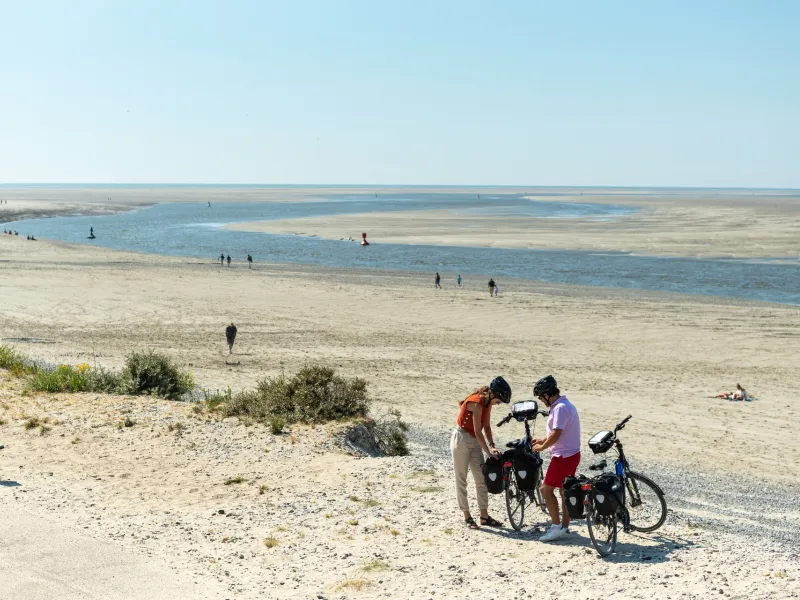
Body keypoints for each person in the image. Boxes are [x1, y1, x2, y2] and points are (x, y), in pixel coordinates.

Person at [451, 376, 512, 529]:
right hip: (462, 439)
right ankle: (467, 516)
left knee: (481, 478)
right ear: (493, 394)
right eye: (498, 400)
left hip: (473, 440)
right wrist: (488, 453)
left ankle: (484, 516)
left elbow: (487, 427)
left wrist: (492, 445)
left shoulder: (487, 403)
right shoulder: (477, 403)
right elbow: (478, 432)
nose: (498, 404)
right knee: (461, 478)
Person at [530, 375, 581, 542]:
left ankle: (555, 527)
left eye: (540, 397)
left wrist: (542, 447)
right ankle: (565, 528)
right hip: (571, 454)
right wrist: (543, 440)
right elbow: (558, 433)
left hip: (563, 457)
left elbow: (557, 433)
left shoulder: (559, 408)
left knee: (545, 490)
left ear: (547, 394)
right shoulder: (564, 405)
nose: (541, 401)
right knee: (563, 491)